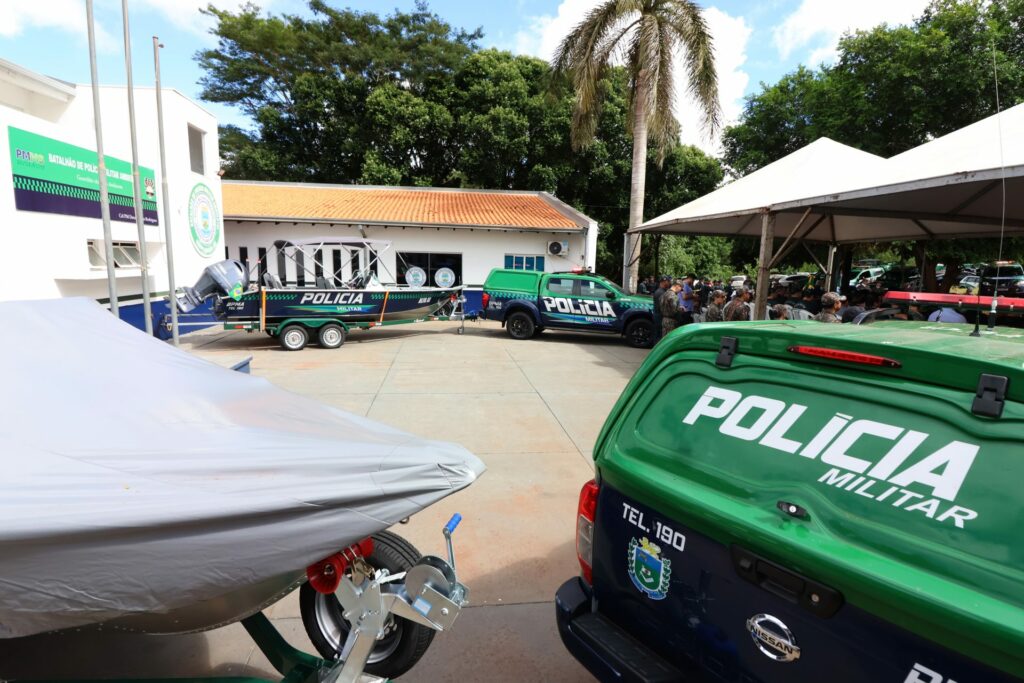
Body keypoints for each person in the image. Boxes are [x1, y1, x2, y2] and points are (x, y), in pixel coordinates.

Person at [651, 275, 671, 341]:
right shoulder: (660, 292)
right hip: (659, 317)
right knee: (658, 336)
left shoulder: (661, 291)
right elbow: (663, 307)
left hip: (658, 316)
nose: (669, 283)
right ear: (664, 282)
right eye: (668, 281)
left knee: (658, 334)